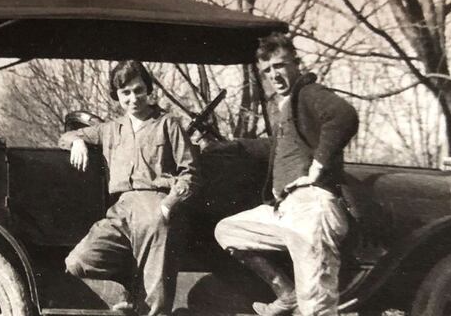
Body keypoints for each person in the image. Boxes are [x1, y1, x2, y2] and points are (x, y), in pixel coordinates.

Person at [214, 33, 359, 316]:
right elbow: (282, 148)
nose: (274, 75)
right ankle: (285, 292)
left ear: (296, 63)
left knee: (316, 309)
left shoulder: (307, 93)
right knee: (228, 230)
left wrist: (317, 168)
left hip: (311, 207)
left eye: (280, 66)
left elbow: (344, 116)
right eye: (267, 70)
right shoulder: (283, 106)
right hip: (285, 211)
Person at [58, 60, 200, 316]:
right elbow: (64, 137)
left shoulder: (169, 124)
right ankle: (131, 288)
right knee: (78, 262)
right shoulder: (110, 129)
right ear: (117, 96)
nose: (133, 98)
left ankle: (140, 301)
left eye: (138, 90)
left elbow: (190, 173)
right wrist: (78, 140)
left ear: (148, 90)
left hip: (156, 208)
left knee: (156, 303)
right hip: (121, 210)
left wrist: (168, 206)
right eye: (126, 93)